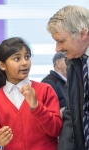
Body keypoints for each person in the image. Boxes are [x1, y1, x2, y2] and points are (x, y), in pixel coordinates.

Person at [0, 37, 63, 150]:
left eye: (27, 57)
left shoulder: (45, 90)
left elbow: (56, 130)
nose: (24, 63)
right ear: (2, 65)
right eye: (17, 59)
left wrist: (37, 107)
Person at [47, 5, 89, 150]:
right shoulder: (73, 65)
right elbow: (72, 116)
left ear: (83, 33)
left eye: (61, 41)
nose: (57, 49)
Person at [41, 52, 67, 117]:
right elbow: (48, 113)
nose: (72, 64)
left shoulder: (66, 82)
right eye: (68, 60)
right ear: (58, 63)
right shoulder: (49, 82)